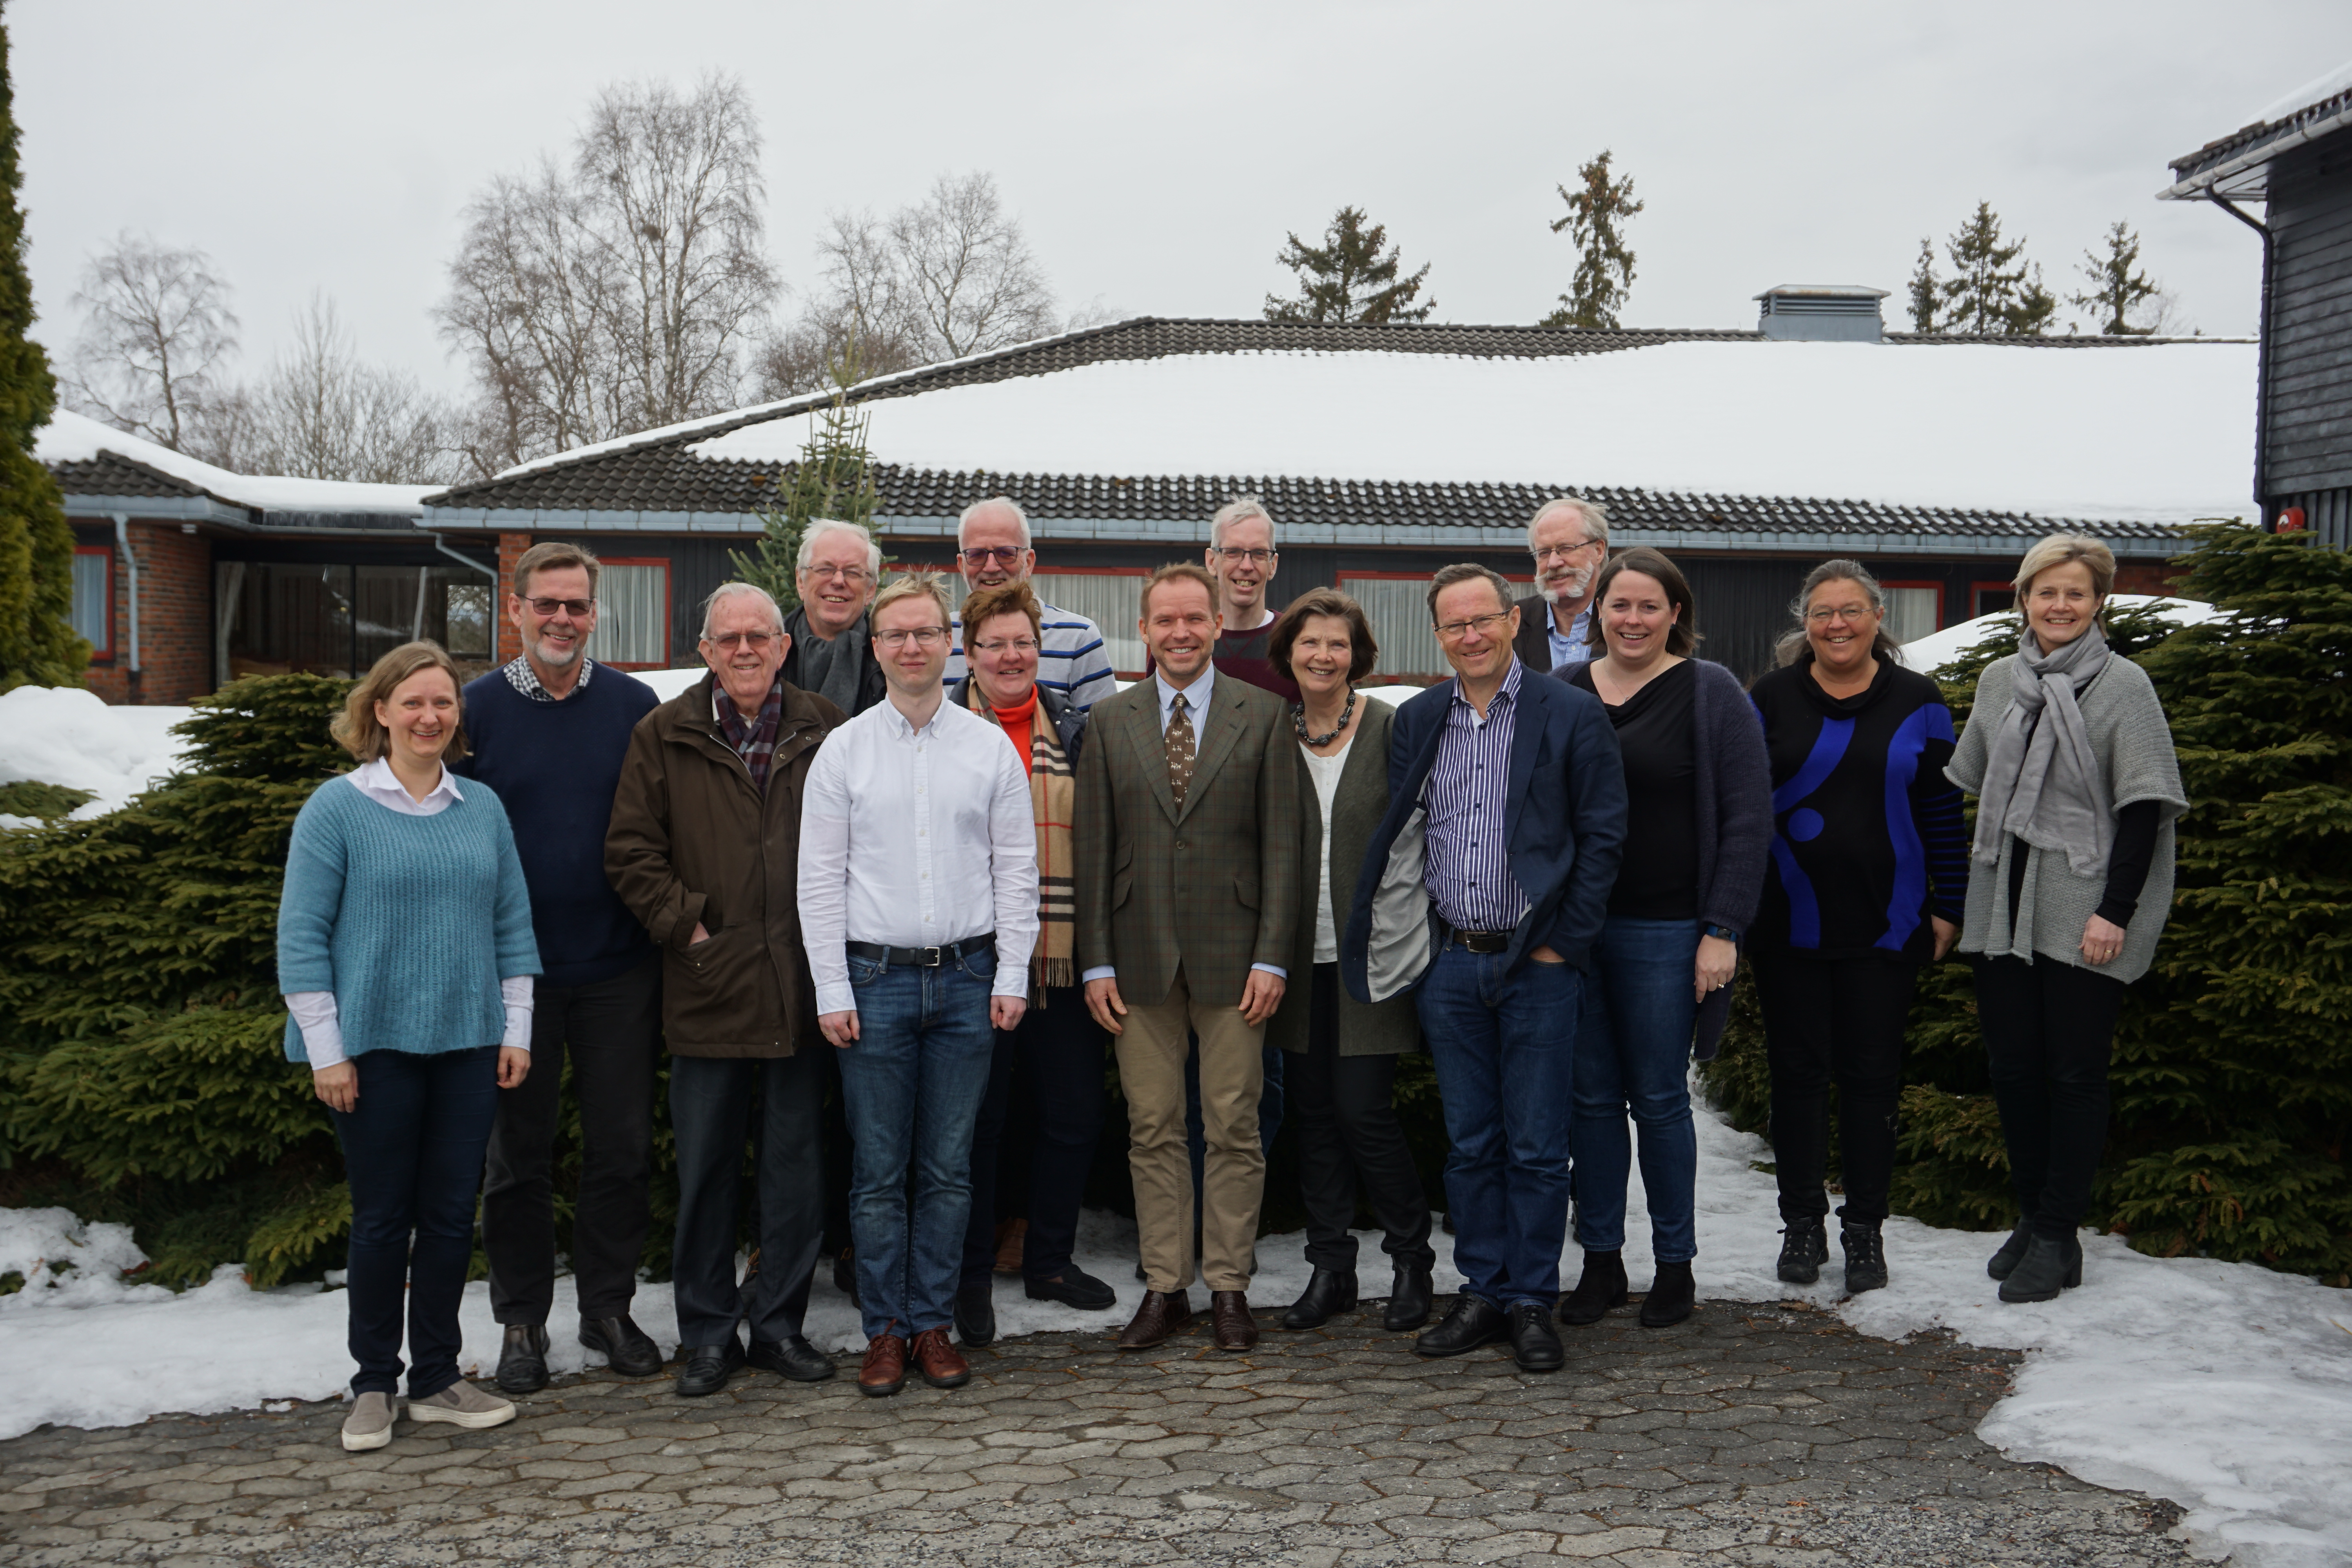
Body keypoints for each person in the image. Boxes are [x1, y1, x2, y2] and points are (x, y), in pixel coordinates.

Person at [1345, 564, 1627, 1374]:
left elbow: (1603, 835)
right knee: (1471, 1144)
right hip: (1452, 963)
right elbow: (1409, 835)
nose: (1470, 636)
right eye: (1454, 625)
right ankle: (1483, 1291)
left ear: (1512, 621)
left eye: (1483, 620)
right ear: (1438, 635)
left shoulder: (1569, 710)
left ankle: (1533, 1300)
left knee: (1537, 1146)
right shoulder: (1420, 718)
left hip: (1538, 963)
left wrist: (1561, 945)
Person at [278, 641, 539, 1452]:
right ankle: (372, 1383)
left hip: (468, 1044)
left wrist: (517, 1029)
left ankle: (435, 1376)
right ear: (381, 710)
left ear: (459, 715)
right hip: (372, 1050)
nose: (430, 716)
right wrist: (327, 1051)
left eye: (444, 702)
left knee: (452, 1215)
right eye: (414, 702)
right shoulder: (336, 808)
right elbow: (301, 937)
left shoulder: (481, 808)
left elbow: (512, 924)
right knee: (383, 1219)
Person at [800, 574, 1039, 1397]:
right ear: (876, 648)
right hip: (875, 982)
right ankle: (885, 1330)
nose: (912, 646)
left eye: (926, 632)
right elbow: (818, 879)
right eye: (896, 634)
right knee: (876, 1172)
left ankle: (932, 1323)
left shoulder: (987, 747)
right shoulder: (845, 750)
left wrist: (1013, 972)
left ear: (949, 644)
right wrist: (832, 987)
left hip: (969, 979)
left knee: (947, 1169)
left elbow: (1017, 868)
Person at [606, 583, 845, 1397]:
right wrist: (691, 928)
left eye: (759, 636)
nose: (745, 650)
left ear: (784, 646)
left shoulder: (825, 726)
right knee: (706, 1174)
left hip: (801, 986)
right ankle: (708, 1334)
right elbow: (631, 850)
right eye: (728, 638)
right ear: (706, 650)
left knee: (795, 1173)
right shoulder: (664, 732)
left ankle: (779, 1327)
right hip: (707, 986)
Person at [1946, 535, 2185, 1304]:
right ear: (2022, 599)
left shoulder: (2123, 685)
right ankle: (2034, 1219)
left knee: (2075, 1073)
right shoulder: (1999, 681)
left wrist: (2116, 910)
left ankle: (2057, 1232)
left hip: (2083, 903)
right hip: (2002, 903)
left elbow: (2144, 805)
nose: (2059, 605)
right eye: (2045, 591)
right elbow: (1975, 785)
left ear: (2098, 602)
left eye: (2075, 593)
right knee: (2014, 1070)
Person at [457, 542, 664, 1395]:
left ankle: (608, 1309)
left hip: (618, 967)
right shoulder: (474, 710)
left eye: (576, 605)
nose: (562, 619)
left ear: (594, 612)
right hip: (517, 976)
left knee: (621, 1148)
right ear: (516, 610)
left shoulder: (633, 706)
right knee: (518, 1158)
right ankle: (521, 1321)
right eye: (546, 603)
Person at [1077, 562, 1299, 1353]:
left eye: (1193, 619)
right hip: (1136, 958)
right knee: (1153, 1126)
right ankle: (1167, 1286)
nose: (1180, 633)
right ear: (1144, 630)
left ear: (1215, 625)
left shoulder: (1264, 715)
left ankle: (1230, 1285)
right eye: (1165, 620)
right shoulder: (1111, 720)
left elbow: (1284, 847)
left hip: (1235, 957)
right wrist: (1095, 962)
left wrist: (1273, 957)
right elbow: (1094, 847)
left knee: (1235, 1124)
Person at [1555, 549, 1770, 1330]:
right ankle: (1602, 1261)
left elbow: (1748, 818)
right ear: (1598, 612)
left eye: (1650, 606)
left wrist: (1722, 929)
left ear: (1675, 613)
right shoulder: (1565, 690)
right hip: (1577, 933)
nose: (1634, 619)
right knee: (1589, 1102)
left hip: (1667, 931)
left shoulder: (1711, 692)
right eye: (1620, 605)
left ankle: (1675, 1265)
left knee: (1658, 1099)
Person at [1747, 560, 1967, 1295]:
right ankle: (1802, 1225)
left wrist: (1949, 904)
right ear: (1804, 623)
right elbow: (1741, 807)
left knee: (1872, 1081)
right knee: (1797, 1078)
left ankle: (1865, 1230)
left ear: (1878, 617)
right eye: (1822, 613)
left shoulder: (1919, 700)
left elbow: (1941, 809)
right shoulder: (1769, 697)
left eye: (1850, 611)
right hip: (1787, 921)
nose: (1836, 624)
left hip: (1888, 921)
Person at [944, 580, 1120, 1348]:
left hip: (1059, 955)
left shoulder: (1078, 732)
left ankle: (1049, 1259)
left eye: (1023, 642)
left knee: (1074, 1112)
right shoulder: (941, 730)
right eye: (995, 644)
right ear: (971, 654)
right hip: (972, 960)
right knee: (978, 1122)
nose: (1011, 656)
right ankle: (970, 1273)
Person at [1262, 588, 1436, 1336]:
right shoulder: (1273, 733)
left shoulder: (1392, 728)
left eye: (1337, 643)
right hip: (1294, 957)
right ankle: (1330, 1269)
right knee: (1312, 1116)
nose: (1323, 656)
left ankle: (1412, 1262)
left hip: (1374, 954)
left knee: (1364, 1112)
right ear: (1289, 653)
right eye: (1310, 643)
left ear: (1357, 654)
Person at [943, 496, 1119, 712]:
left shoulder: (1078, 638)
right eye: (977, 554)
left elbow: (1100, 731)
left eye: (1005, 553)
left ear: (1028, 562)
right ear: (962, 565)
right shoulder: (938, 637)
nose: (991, 567)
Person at [781, 518, 887, 716]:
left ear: (871, 590)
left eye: (853, 572)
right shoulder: (767, 650)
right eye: (825, 569)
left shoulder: (892, 656)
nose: (838, 581)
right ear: (801, 581)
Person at [1200, 496, 1300, 703]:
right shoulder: (1186, 639)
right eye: (1233, 552)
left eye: (1259, 553)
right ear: (1211, 561)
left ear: (1273, 565)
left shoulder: (1295, 641)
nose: (1246, 566)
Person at [1512, 496, 1610, 674]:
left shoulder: (1625, 620)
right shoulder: (1511, 623)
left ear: (1598, 551)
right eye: (1543, 553)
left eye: (1566, 548)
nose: (1553, 563)